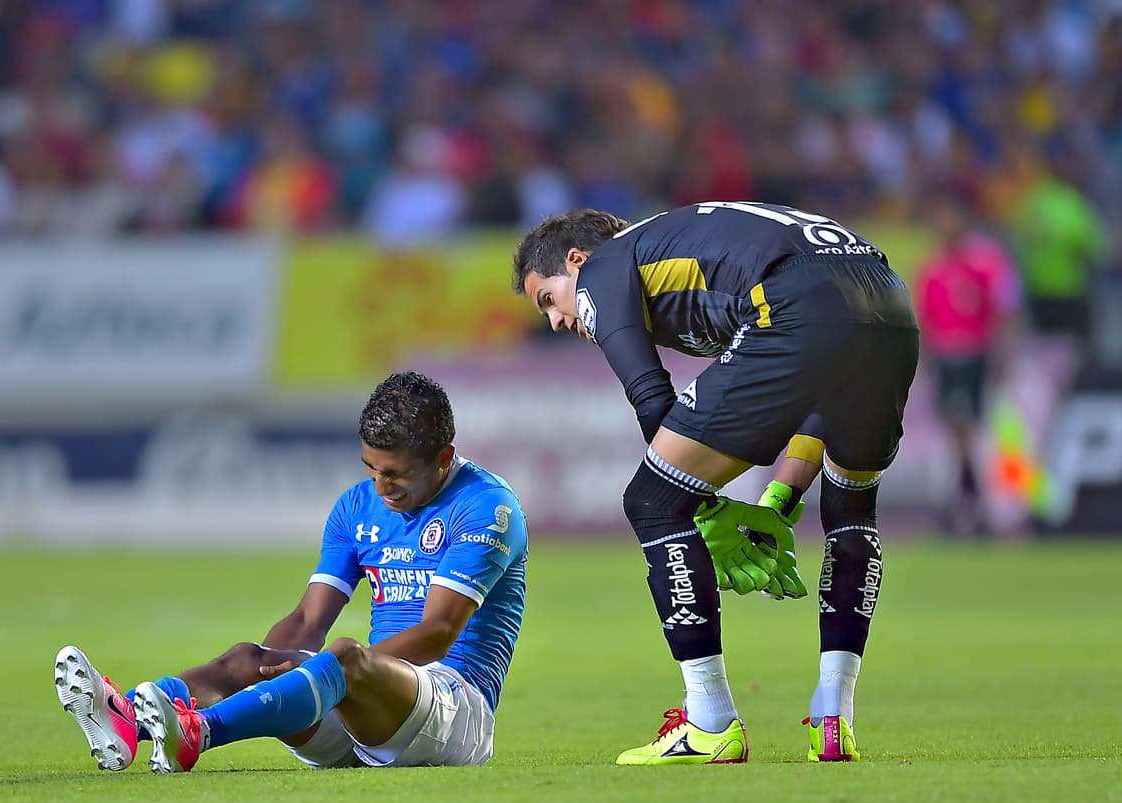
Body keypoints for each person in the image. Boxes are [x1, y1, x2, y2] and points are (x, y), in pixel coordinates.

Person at [512, 202, 919, 764]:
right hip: (889, 306)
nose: (557, 321)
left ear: (576, 260)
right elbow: (824, 379)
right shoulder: (685, 245)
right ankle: (835, 716)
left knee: (652, 501)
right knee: (852, 507)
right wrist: (780, 498)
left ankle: (709, 720)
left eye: (548, 300)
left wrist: (704, 507)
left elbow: (651, 396)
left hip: (801, 300)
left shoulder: (605, 267)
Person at [53, 371, 527, 772]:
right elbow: (306, 622)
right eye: (371, 469)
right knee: (247, 656)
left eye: (397, 475)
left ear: (443, 459)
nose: (382, 487)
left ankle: (198, 735)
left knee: (343, 657)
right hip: (359, 710)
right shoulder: (357, 507)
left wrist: (332, 672)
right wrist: (273, 668)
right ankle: (124, 720)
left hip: (451, 710)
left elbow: (437, 633)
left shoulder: (486, 506)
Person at [915, 196, 1022, 534]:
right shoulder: (932, 268)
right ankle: (968, 496)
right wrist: (924, 361)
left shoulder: (985, 262)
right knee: (955, 428)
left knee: (974, 427)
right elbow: (925, 321)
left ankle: (978, 497)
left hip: (976, 354)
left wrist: (1004, 352)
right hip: (946, 357)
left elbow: (1005, 307)